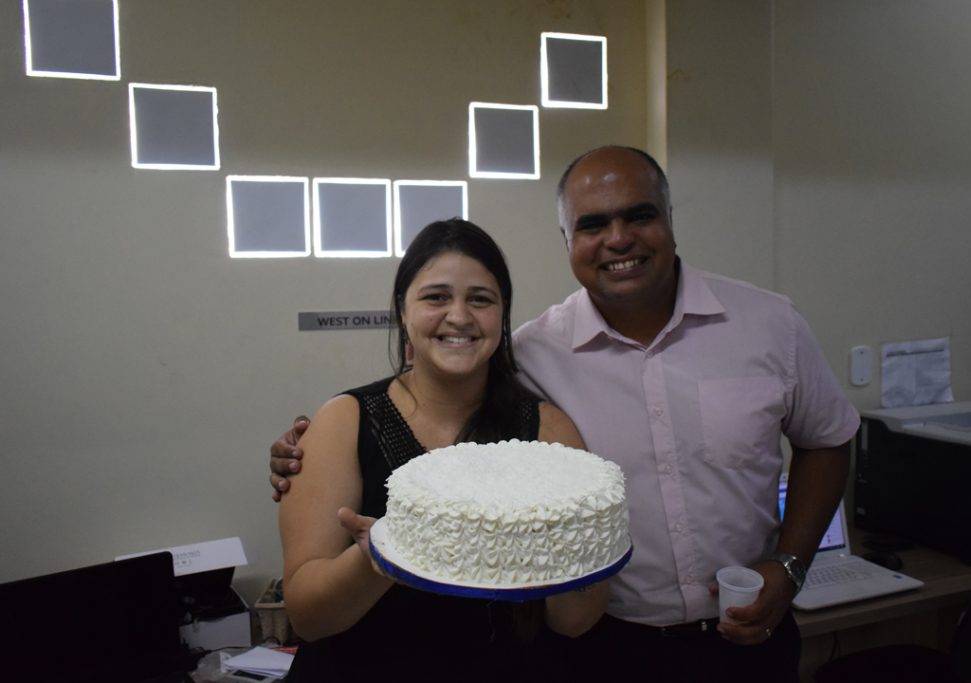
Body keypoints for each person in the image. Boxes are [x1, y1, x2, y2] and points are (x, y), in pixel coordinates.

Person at [271, 147, 860, 681]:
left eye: (639, 216)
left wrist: (790, 563)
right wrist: (311, 457)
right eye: (593, 224)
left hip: (741, 633)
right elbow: (310, 608)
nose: (619, 239)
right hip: (609, 653)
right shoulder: (531, 356)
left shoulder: (766, 325)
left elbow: (829, 438)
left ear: (669, 218)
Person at [278, 218, 607, 682]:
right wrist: (381, 557)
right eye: (436, 297)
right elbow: (308, 617)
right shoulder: (345, 420)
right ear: (402, 310)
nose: (459, 316)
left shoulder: (546, 429)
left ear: (503, 313)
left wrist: (561, 547)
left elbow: (576, 621)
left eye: (480, 299)